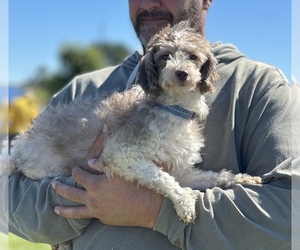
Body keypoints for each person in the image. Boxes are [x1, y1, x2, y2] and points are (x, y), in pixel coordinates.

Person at [6, 0, 296, 249]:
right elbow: (11, 201)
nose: (146, 3)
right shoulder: (81, 90)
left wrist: (153, 210)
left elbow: (289, 219)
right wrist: (84, 194)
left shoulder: (261, 87)